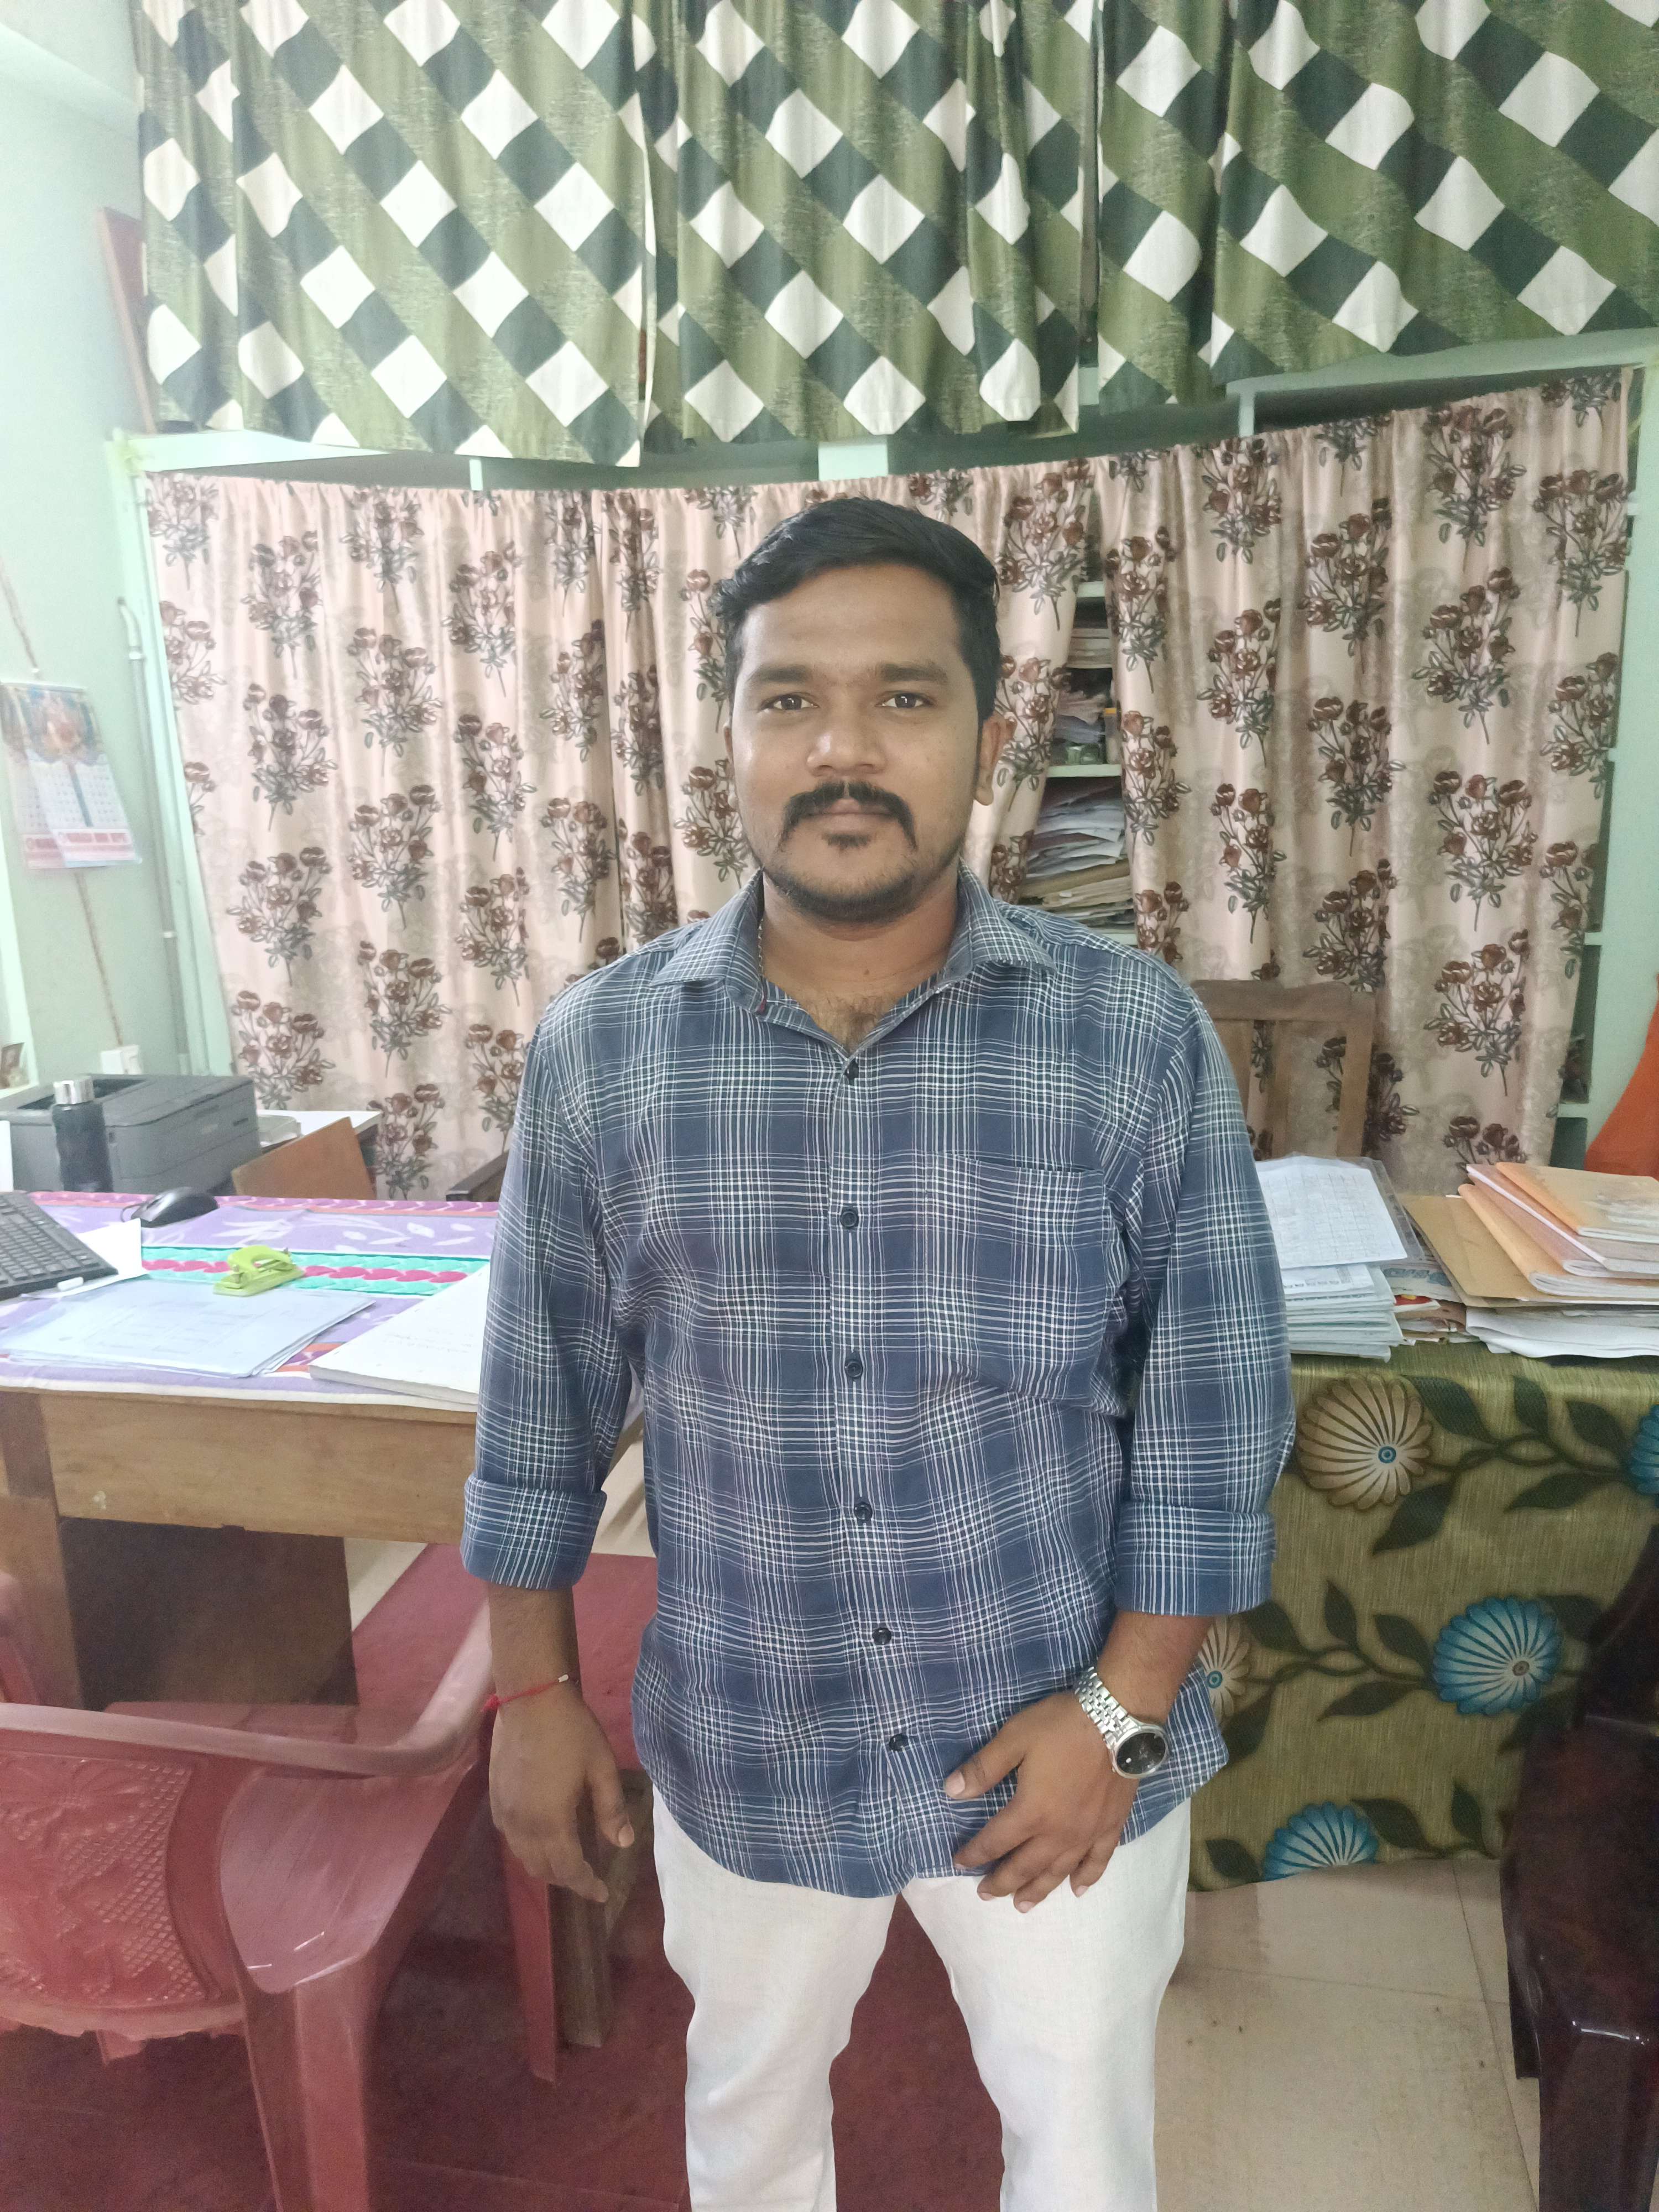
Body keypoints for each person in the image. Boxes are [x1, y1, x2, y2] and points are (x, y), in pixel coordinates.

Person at [463, 498, 1293, 2211]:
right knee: (748, 2118)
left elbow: (1214, 1419)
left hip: (1054, 1736)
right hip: (746, 1740)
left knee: (1080, 2145)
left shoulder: (1131, 1037)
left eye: (905, 699)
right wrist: (533, 1694)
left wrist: (1123, 1717)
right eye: (791, 700)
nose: (843, 750)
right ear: (731, 738)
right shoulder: (603, 1055)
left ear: (988, 739)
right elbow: (538, 1407)